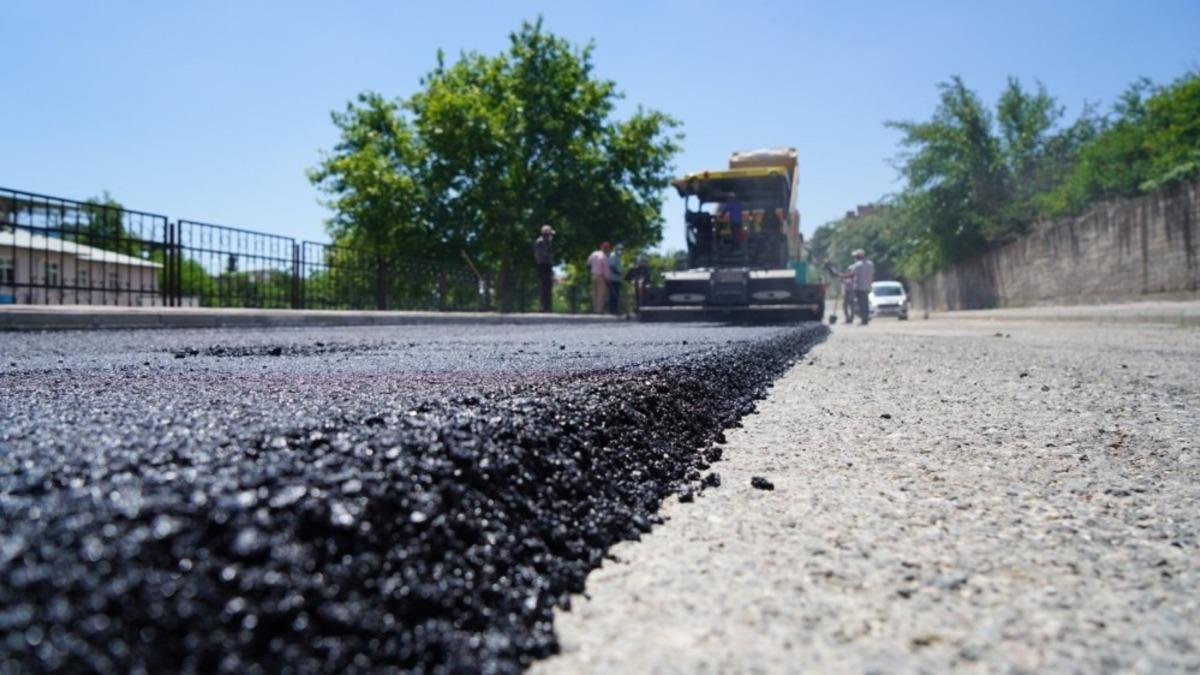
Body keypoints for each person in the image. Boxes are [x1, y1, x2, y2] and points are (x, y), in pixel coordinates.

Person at [844, 249, 875, 325]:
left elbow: (851, 275)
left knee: (861, 304)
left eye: (855, 256)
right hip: (867, 287)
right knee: (866, 303)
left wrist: (840, 275)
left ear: (858, 257)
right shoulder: (870, 264)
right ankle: (865, 319)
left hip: (859, 287)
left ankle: (864, 320)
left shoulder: (857, 265)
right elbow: (873, 275)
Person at [533, 225, 555, 312]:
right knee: (544, 285)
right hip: (543, 265)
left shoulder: (545, 242)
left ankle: (547, 306)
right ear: (546, 233)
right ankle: (543, 307)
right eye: (549, 234)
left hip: (546, 265)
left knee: (547, 286)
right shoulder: (540, 242)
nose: (550, 235)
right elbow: (543, 254)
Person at [586, 241, 612, 314]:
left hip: (593, 275)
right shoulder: (604, 257)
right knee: (600, 294)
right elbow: (606, 270)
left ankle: (594, 309)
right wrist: (608, 279)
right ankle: (599, 310)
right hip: (601, 277)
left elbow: (588, 263)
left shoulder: (594, 253)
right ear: (607, 249)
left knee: (594, 294)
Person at [608, 243, 623, 315]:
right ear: (616, 249)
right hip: (613, 279)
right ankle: (612, 310)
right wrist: (619, 273)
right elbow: (611, 267)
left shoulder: (618, 257)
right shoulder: (613, 255)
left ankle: (615, 310)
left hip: (617, 279)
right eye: (619, 249)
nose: (621, 251)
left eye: (621, 249)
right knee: (613, 295)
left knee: (616, 295)